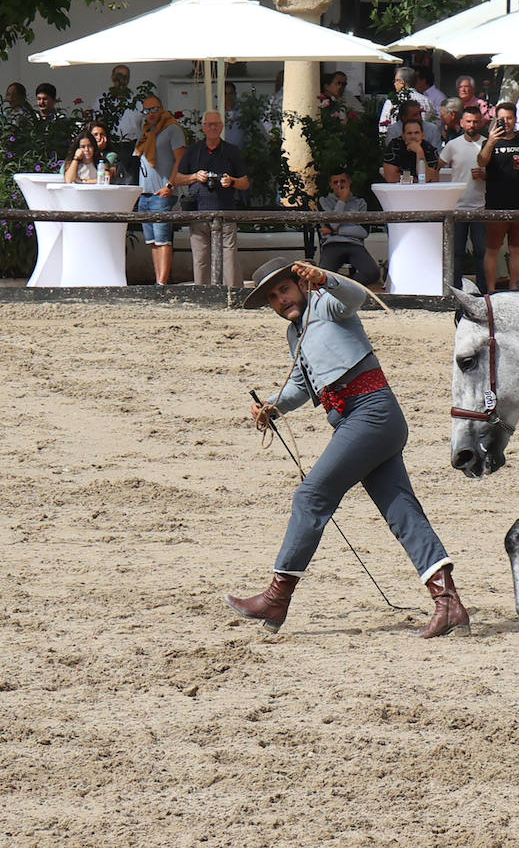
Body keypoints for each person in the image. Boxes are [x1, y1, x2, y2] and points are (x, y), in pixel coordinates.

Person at [229, 258, 470, 639]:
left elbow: (355, 297)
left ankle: (277, 598)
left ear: (301, 284)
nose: (280, 300)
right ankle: (449, 603)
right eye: (272, 297)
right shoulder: (294, 334)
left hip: (371, 414)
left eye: (284, 289)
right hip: (363, 422)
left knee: (311, 496)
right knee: (401, 511)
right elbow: (302, 386)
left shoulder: (326, 302)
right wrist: (272, 406)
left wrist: (325, 278)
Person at [174, 110, 251, 286]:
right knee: (201, 259)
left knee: (229, 259)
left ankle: (232, 294)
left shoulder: (231, 151)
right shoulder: (194, 151)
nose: (213, 128)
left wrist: (231, 181)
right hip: (199, 213)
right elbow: (177, 179)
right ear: (203, 127)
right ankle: (203, 294)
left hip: (226, 213)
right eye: (209, 124)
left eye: (216, 124)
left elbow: (245, 183)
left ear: (222, 127)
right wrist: (195, 177)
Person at [478, 101, 519, 291]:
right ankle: (490, 290)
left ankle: (514, 288)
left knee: (516, 249)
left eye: (509, 118)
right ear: (496, 120)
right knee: (492, 249)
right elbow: (481, 161)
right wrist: (491, 142)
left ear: (515, 119)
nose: (505, 122)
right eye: (502, 119)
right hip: (496, 203)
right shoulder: (489, 142)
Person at [134, 94, 186, 286]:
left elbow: (181, 160)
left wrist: (170, 186)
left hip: (162, 194)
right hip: (145, 194)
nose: (151, 114)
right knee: (152, 241)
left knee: (163, 240)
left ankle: (162, 283)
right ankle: (158, 281)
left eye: (155, 109)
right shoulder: (147, 131)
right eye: (147, 110)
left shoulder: (172, 128)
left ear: (162, 108)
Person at [438, 106, 490, 290]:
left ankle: (484, 292)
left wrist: (485, 175)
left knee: (482, 251)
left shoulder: (487, 144)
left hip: (480, 207)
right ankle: (455, 291)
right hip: (457, 207)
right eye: (468, 121)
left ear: (481, 123)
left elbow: (497, 174)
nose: (472, 125)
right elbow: (436, 167)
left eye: (475, 121)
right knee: (456, 252)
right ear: (461, 123)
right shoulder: (453, 145)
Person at [317, 169, 380, 285]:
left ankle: (344, 285)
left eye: (343, 181)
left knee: (373, 273)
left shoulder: (360, 203)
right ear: (331, 185)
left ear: (349, 182)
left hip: (354, 244)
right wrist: (342, 200)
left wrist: (335, 231)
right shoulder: (324, 201)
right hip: (332, 244)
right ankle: (341, 285)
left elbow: (363, 232)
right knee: (322, 277)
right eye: (335, 182)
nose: (339, 185)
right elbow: (332, 224)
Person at [381, 118, 440, 183]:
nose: (413, 136)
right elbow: (391, 178)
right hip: (399, 188)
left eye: (416, 133)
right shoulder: (394, 146)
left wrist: (419, 151)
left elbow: (426, 178)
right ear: (403, 136)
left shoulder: (429, 149)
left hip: (424, 189)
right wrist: (415, 180)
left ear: (422, 135)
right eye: (409, 133)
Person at [378, 66, 433, 134]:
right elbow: (431, 123)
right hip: (421, 138)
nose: (394, 83)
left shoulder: (392, 101)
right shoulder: (426, 101)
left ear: (402, 82)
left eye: (396, 80)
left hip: (397, 138)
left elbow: (383, 126)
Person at [98, 65, 143, 143]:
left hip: (133, 143)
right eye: (118, 76)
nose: (121, 80)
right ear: (112, 77)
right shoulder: (103, 100)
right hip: (110, 143)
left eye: (125, 77)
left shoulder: (137, 100)